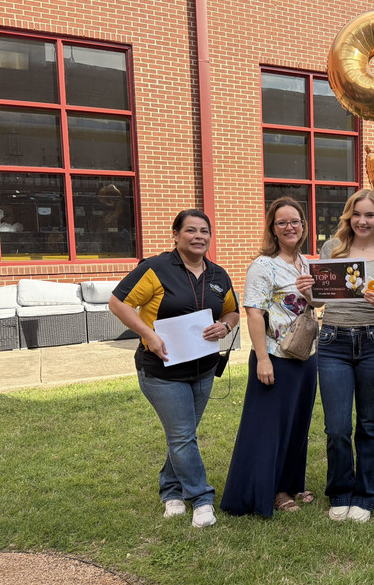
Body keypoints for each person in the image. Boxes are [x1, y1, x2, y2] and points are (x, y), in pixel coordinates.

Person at [109, 209, 240, 529]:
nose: (198, 236)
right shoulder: (155, 269)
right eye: (191, 230)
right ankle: (201, 498)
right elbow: (118, 303)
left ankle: (170, 490)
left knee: (184, 435)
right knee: (182, 435)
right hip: (161, 371)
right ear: (176, 235)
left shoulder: (218, 275)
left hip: (204, 369)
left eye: (204, 231)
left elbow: (232, 312)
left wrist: (224, 326)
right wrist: (148, 334)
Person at [297, 189, 374, 523]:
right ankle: (340, 492)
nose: (362, 221)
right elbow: (320, 301)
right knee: (336, 426)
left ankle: (366, 494)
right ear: (348, 217)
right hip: (334, 341)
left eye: (369, 215)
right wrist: (308, 291)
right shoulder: (332, 249)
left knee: (369, 422)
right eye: (356, 215)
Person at [220, 197, 317, 518]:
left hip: (306, 356)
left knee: (297, 424)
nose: (290, 227)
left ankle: (291, 482)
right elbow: (253, 314)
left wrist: (311, 293)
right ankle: (271, 490)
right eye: (282, 222)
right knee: (270, 427)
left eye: (295, 221)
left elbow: (315, 304)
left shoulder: (306, 263)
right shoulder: (263, 266)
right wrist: (262, 359)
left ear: (304, 225)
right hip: (275, 357)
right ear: (273, 229)